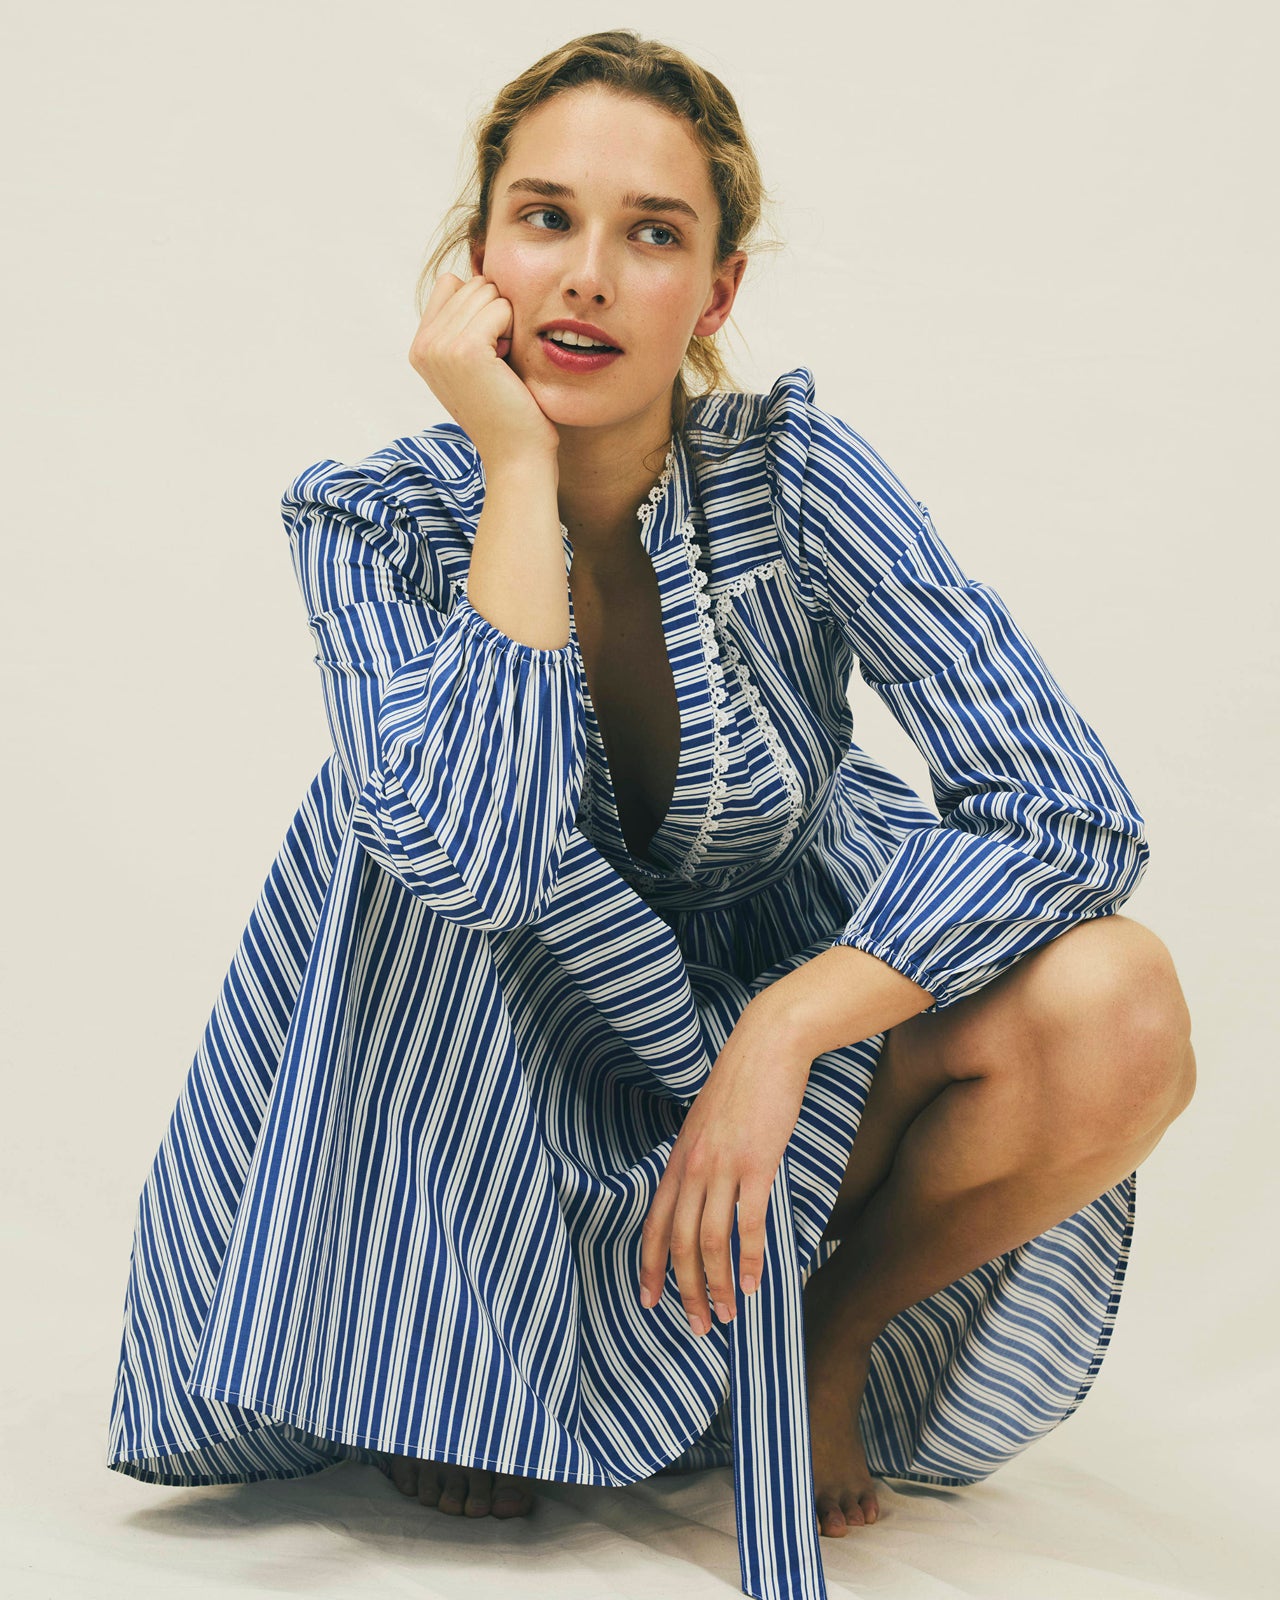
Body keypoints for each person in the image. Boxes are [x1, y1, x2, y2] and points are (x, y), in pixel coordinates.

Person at [105, 29, 1196, 1600]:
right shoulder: (372, 518)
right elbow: (467, 861)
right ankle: (471, 1364)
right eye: (544, 219)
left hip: (779, 1039)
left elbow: (1069, 805)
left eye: (653, 234)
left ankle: (820, 1340)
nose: (588, 278)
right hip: (495, 1064)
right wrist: (512, 472)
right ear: (474, 258)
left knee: (1125, 1003)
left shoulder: (799, 477)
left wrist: (786, 1034)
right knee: (397, 831)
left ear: (719, 294)